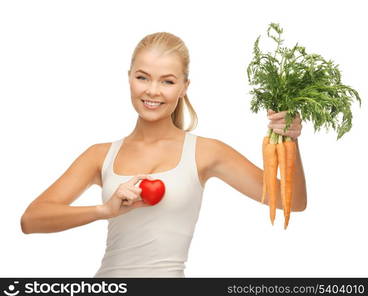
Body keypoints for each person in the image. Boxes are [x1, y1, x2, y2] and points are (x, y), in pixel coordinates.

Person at [20, 32, 307, 278]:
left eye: (167, 81)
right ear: (129, 78)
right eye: (143, 77)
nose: (152, 91)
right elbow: (31, 220)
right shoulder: (99, 155)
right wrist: (104, 211)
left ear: (184, 87)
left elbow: (293, 202)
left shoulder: (206, 152)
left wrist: (290, 142)